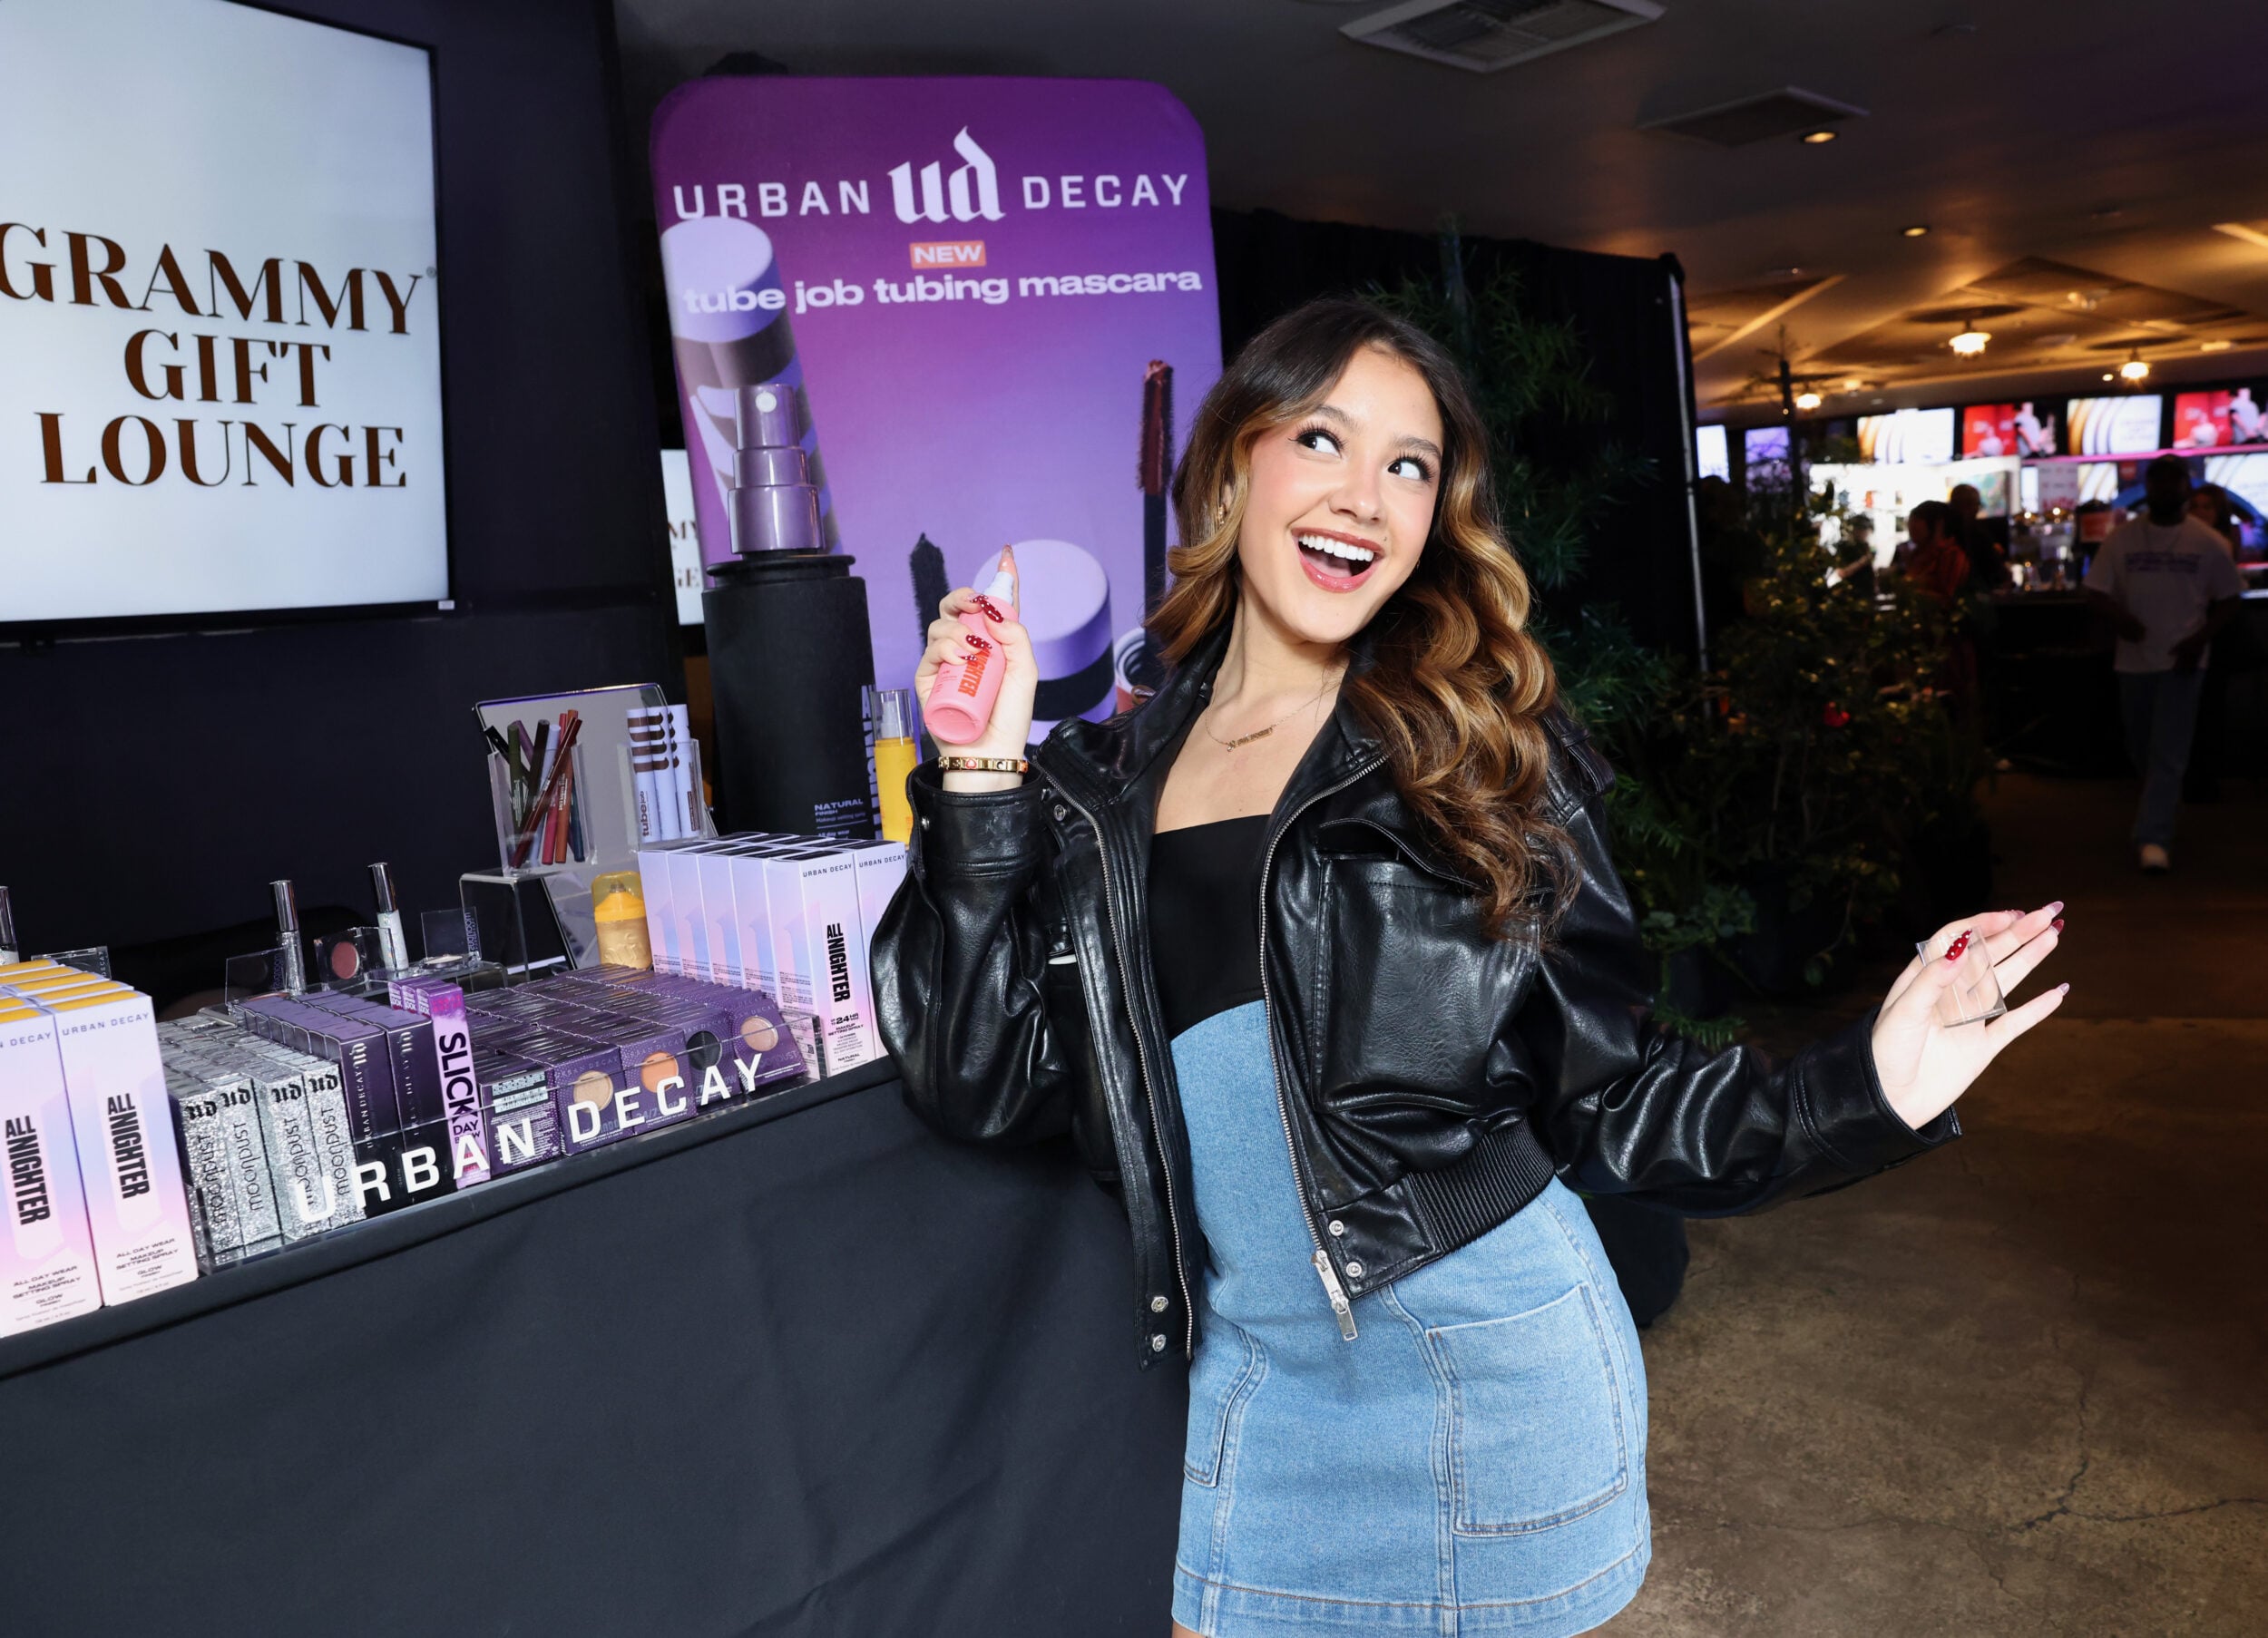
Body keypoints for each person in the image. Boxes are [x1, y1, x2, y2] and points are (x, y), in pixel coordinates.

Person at [874, 298, 2068, 1638]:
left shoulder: (1476, 754)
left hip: (1483, 1377)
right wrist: (979, 775)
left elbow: (1612, 1094)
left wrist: (1864, 1084)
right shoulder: (1100, 780)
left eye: (1409, 466)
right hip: (1253, 1386)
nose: (1365, 498)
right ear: (1231, 465)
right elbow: (982, 1080)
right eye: (1322, 438)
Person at [2084, 454, 2245, 870]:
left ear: (2186, 489)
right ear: (2148, 487)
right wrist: (2121, 620)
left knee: (2168, 752)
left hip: (2182, 661)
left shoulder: (2208, 541)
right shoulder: (2122, 538)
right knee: (2141, 748)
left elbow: (2230, 598)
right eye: (2158, 482)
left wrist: (2199, 640)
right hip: (2133, 661)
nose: (2166, 490)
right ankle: (2163, 806)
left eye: (2174, 483)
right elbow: (2096, 590)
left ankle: (2153, 839)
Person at [1949, 483, 2011, 590]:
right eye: (1977, 505)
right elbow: (1998, 573)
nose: (1977, 510)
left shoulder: (1943, 532)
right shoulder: (1977, 533)